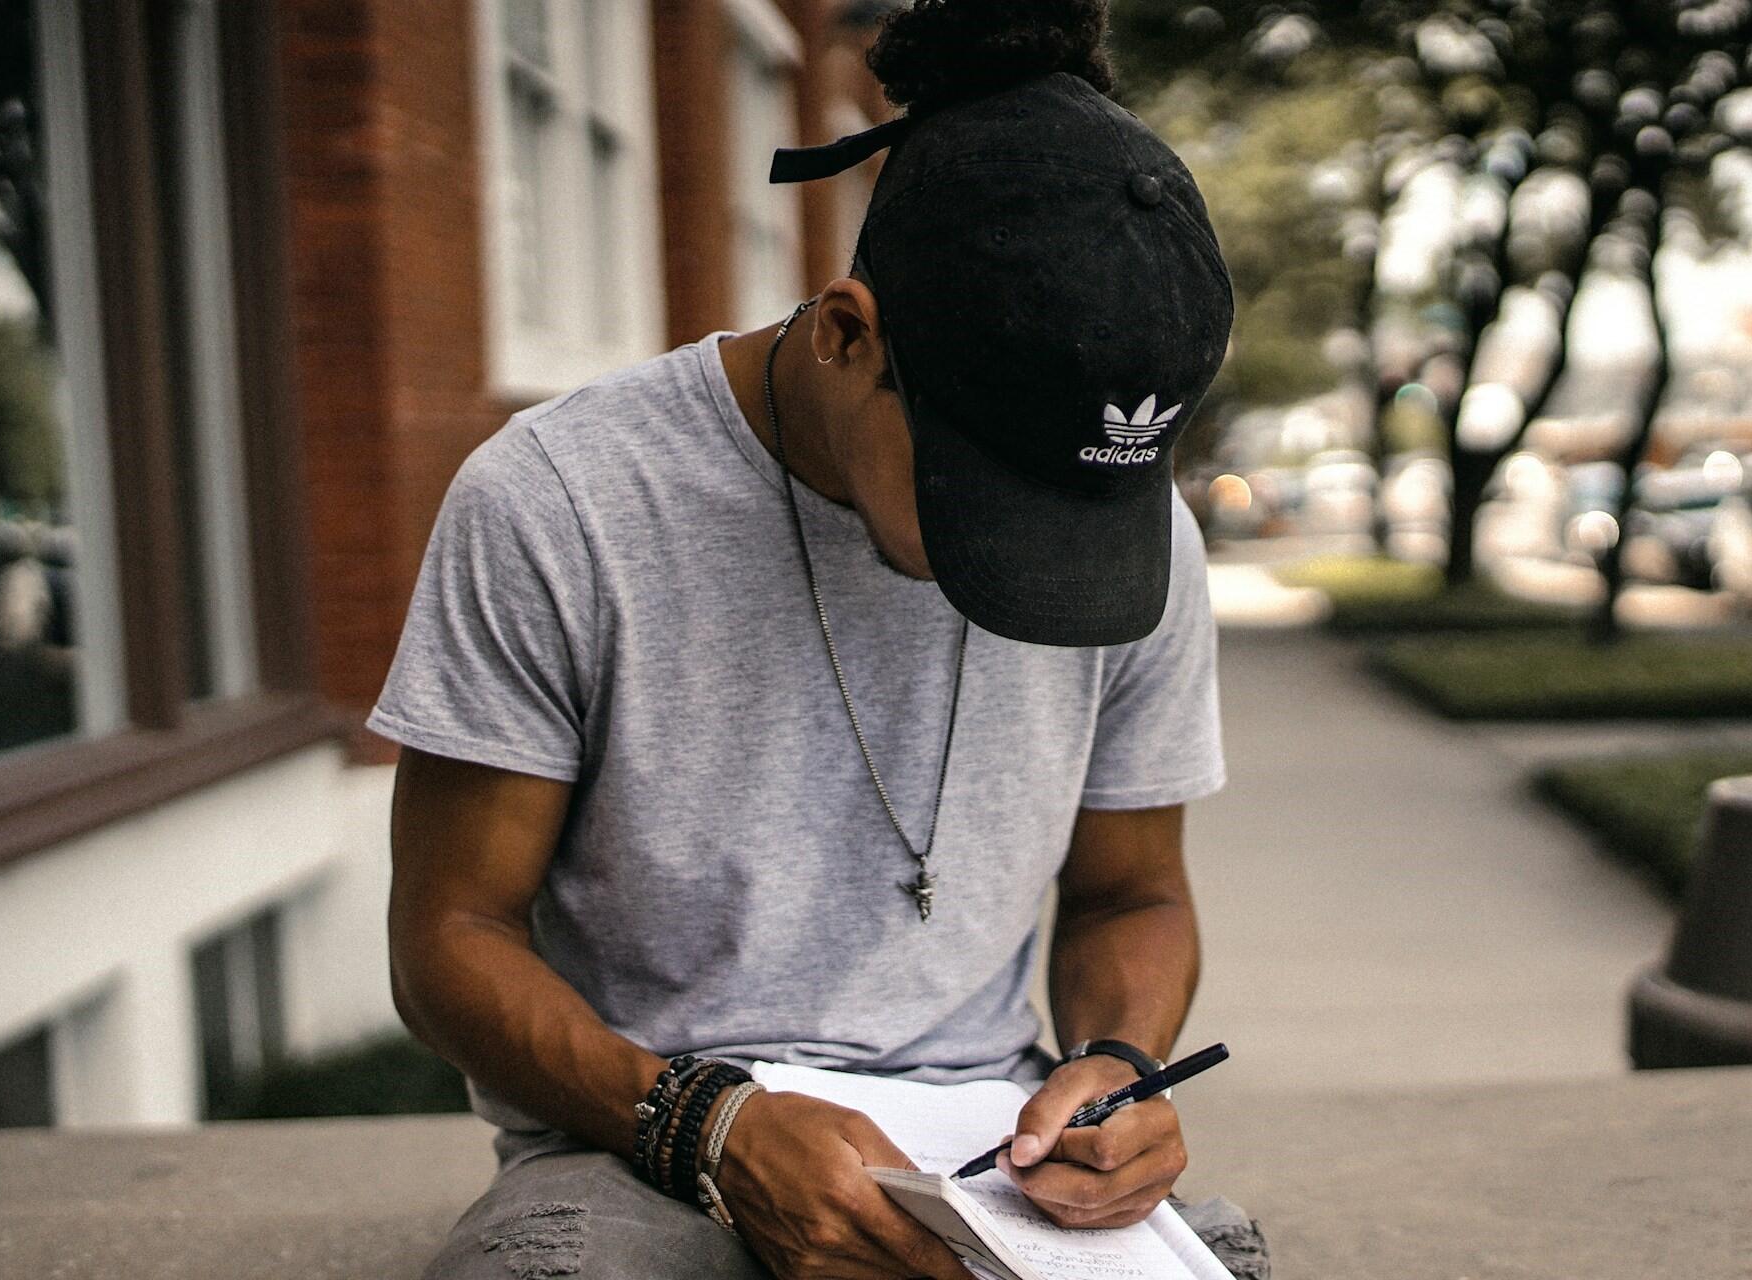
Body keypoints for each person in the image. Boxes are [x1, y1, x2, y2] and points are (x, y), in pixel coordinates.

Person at [369, 2, 1242, 1277]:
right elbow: (447, 935)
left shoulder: (1152, 539)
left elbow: (1133, 889)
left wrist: (1114, 1068)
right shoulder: (560, 500)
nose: (1020, 561)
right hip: (637, 1140)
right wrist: (705, 1122)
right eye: (979, 503)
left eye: (1072, 509)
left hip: (985, 1154)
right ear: (848, 333)